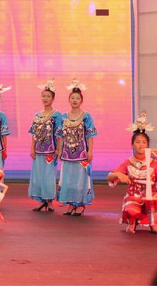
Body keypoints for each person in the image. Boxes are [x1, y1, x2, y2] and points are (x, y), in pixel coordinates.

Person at [107, 111, 157, 234]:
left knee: (153, 199)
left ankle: (153, 223)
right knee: (132, 205)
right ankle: (132, 221)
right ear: (132, 145)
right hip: (134, 195)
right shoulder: (127, 162)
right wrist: (117, 174)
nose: (141, 145)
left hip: (150, 198)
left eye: (144, 142)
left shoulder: (154, 163)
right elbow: (109, 177)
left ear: (148, 145)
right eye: (137, 142)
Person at [56, 79, 96, 216]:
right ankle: (71, 203)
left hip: (82, 154)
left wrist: (90, 151)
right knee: (68, 179)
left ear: (81, 100)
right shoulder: (64, 117)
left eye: (77, 98)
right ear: (69, 100)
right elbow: (60, 135)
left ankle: (80, 204)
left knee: (80, 179)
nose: (75, 100)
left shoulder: (86, 117)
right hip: (67, 153)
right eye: (72, 98)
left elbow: (90, 135)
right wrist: (59, 149)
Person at [28, 78, 62, 212]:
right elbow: (34, 134)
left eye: (48, 96)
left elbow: (59, 133)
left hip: (50, 151)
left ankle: (50, 201)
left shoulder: (57, 115)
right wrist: (32, 149)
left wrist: (58, 148)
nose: (45, 98)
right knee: (38, 175)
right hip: (38, 151)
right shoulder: (37, 115)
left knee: (49, 176)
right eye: (44, 96)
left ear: (53, 98)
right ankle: (41, 200)